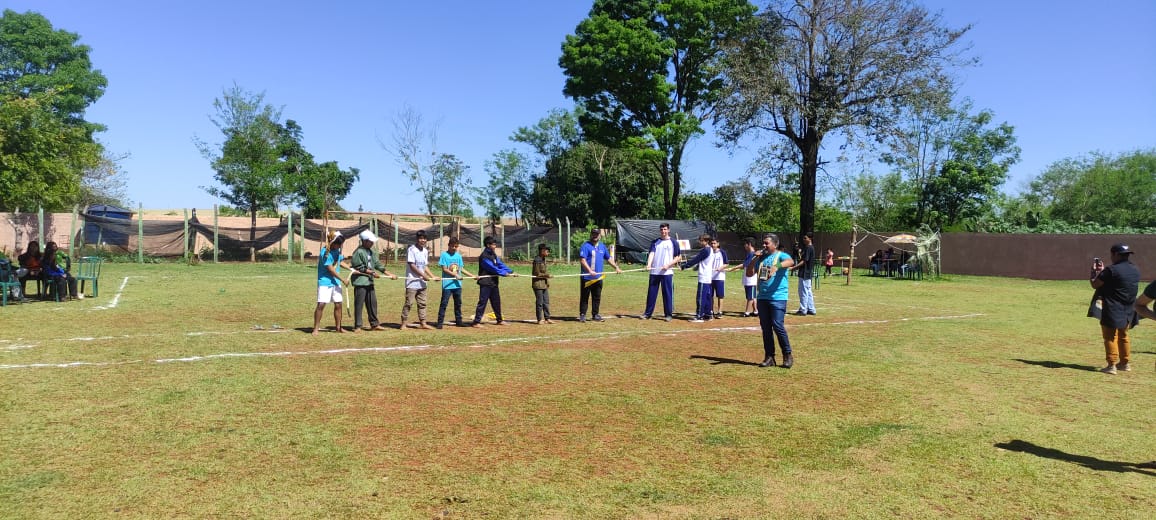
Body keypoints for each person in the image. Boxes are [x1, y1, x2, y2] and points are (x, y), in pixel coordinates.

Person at [745, 233, 796, 368]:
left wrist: (776, 267)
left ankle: (787, 355)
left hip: (778, 298)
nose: (764, 245)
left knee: (777, 325)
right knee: (766, 328)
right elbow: (749, 273)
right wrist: (754, 259)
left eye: (767, 243)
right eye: (763, 243)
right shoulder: (761, 258)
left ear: (775, 244)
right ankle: (769, 357)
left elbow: (791, 262)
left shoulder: (780, 256)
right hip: (762, 297)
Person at [1090, 243, 1140, 374]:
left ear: (1115, 254)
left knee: (1110, 337)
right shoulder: (1135, 269)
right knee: (1124, 336)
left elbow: (1095, 284)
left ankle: (1111, 365)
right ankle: (1125, 364)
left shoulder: (1111, 270)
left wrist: (1094, 272)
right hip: (1129, 308)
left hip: (1112, 308)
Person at [348, 230, 397, 332]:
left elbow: (378, 264)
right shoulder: (358, 252)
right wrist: (372, 273)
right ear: (364, 241)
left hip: (369, 282)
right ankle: (358, 326)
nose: (372, 243)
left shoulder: (371, 252)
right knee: (359, 304)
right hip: (361, 282)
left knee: (372, 303)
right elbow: (358, 267)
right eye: (370, 241)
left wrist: (389, 274)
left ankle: (374, 324)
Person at [578, 229, 622, 323]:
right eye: (593, 234)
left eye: (597, 234)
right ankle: (582, 314)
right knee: (585, 297)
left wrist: (616, 267)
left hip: (598, 278)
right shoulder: (585, 246)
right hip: (587, 277)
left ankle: (595, 314)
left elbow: (608, 258)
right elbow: (582, 260)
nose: (595, 236)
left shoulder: (602, 246)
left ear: (599, 236)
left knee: (597, 297)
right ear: (591, 235)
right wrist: (589, 271)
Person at [472, 236, 516, 327]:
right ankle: (476, 322)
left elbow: (500, 264)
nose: (495, 246)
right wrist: (504, 273)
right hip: (485, 282)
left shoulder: (493, 254)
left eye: (495, 244)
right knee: (482, 302)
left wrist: (510, 271)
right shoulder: (484, 256)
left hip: (493, 282)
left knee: (496, 301)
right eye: (493, 244)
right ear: (488, 245)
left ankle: (499, 320)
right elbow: (492, 268)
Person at [312, 230, 350, 335]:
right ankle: (316, 328)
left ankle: (338, 327)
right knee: (321, 305)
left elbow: (340, 262)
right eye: (338, 244)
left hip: (335, 282)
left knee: (338, 304)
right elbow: (330, 269)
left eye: (340, 244)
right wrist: (343, 279)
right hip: (325, 282)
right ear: (332, 242)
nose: (339, 246)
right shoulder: (325, 252)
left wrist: (351, 269)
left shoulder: (336, 251)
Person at [642, 223, 681, 321]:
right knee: (651, 293)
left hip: (667, 273)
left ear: (668, 230)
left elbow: (678, 257)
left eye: (665, 229)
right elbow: (652, 253)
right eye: (662, 229)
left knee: (667, 294)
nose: (663, 231)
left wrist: (668, 265)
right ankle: (647, 314)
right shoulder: (655, 242)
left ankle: (668, 315)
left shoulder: (673, 242)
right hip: (655, 272)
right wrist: (649, 264)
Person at [401, 230, 439, 330]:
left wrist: (432, 276)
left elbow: (425, 266)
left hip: (422, 283)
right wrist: (423, 275)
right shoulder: (411, 250)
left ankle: (423, 323)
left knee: (422, 303)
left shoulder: (425, 251)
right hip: (412, 282)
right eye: (421, 238)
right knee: (409, 303)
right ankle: (403, 324)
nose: (423, 240)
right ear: (417, 239)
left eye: (424, 238)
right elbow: (412, 265)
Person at [436, 237, 475, 329]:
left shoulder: (458, 256)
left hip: (457, 285)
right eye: (452, 246)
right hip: (447, 285)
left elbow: (461, 268)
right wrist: (455, 275)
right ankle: (440, 323)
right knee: (444, 303)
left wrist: (472, 275)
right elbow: (445, 269)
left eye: (456, 246)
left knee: (458, 303)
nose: (454, 248)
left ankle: (459, 321)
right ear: (449, 245)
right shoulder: (444, 255)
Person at [680, 233, 715, 323]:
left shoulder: (706, 250)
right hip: (708, 276)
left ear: (706, 241)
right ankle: (708, 314)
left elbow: (696, 259)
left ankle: (699, 316)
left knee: (701, 297)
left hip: (704, 277)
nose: (700, 242)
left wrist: (685, 266)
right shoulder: (710, 249)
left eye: (702, 240)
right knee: (707, 296)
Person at [726, 237, 759, 317]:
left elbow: (745, 264)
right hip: (747, 278)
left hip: (751, 279)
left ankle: (747, 312)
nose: (744, 246)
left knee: (750, 297)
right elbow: (745, 266)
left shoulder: (753, 254)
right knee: (752, 296)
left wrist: (733, 268)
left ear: (749, 244)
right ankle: (755, 311)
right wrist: (735, 269)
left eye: (745, 244)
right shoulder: (750, 254)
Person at [790, 232, 816, 316]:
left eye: (805, 238)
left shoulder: (809, 248)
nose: (804, 239)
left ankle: (803, 309)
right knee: (808, 291)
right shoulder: (809, 248)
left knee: (803, 291)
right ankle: (811, 309)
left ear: (810, 238)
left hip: (805, 273)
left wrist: (793, 268)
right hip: (807, 273)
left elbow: (804, 261)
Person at [532, 243, 554, 324]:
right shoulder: (537, 260)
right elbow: (536, 274)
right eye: (546, 251)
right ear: (542, 251)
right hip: (538, 285)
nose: (548, 252)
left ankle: (547, 318)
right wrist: (547, 275)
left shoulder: (543, 259)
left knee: (546, 302)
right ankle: (539, 319)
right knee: (540, 302)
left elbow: (544, 271)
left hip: (544, 284)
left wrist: (547, 281)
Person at [711, 237, 728, 319]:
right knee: (710, 295)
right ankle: (710, 311)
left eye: (714, 243)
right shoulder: (709, 252)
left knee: (720, 295)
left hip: (719, 277)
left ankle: (720, 311)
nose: (713, 245)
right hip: (710, 277)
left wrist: (720, 268)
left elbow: (726, 264)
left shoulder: (722, 252)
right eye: (712, 243)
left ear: (718, 244)